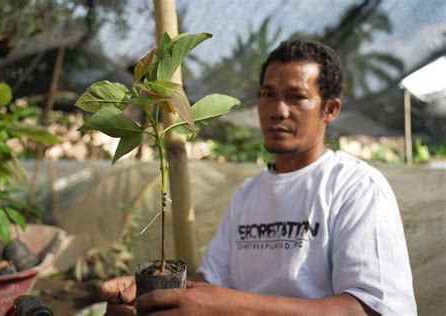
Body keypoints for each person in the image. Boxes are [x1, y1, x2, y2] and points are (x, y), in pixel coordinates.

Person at [98, 39, 417, 315]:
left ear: (330, 109)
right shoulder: (248, 194)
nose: (278, 110)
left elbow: (374, 309)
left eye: (296, 97)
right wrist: (149, 294)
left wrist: (231, 308)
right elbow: (212, 279)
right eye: (268, 94)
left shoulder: (357, 188)